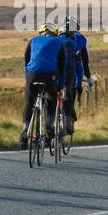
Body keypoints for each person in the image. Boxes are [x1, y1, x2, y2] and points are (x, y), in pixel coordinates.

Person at [21, 21, 67, 150]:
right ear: (54, 33)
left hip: (32, 75)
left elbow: (26, 59)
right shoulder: (59, 42)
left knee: (29, 103)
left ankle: (25, 128)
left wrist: (28, 78)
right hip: (49, 76)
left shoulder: (33, 40)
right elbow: (62, 66)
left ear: (41, 32)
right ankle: (48, 125)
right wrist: (61, 84)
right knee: (52, 99)